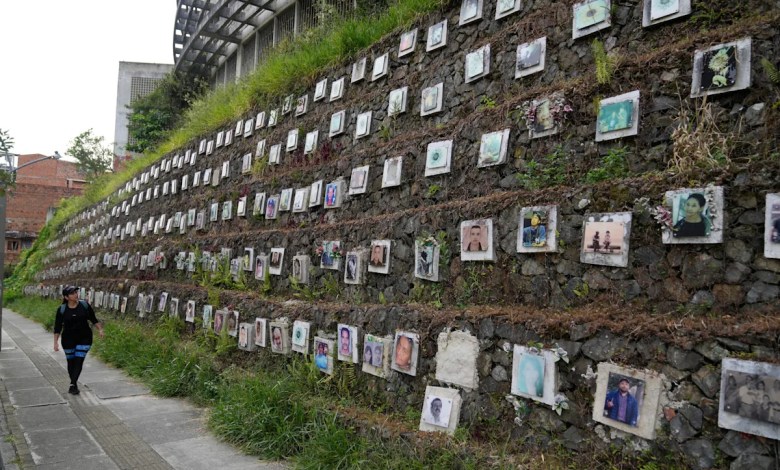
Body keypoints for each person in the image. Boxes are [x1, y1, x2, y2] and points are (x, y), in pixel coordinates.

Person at [54, 286, 104, 395]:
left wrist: (100, 329)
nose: (75, 294)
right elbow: (57, 327)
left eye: (76, 292)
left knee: (79, 360)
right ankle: (74, 384)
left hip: (84, 337)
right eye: (72, 293)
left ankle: (72, 383)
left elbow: (93, 319)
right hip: (68, 339)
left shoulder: (84, 306)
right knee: (71, 361)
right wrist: (55, 343)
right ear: (66, 297)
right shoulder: (62, 309)